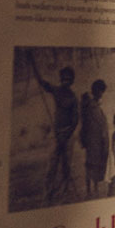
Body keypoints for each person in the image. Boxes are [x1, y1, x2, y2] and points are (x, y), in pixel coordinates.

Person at [33, 58, 79, 203]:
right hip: (56, 134)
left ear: (71, 81)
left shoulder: (73, 98)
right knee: (51, 166)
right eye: (63, 79)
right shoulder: (57, 91)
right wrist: (34, 66)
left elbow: (75, 120)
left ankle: (64, 192)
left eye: (68, 79)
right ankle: (48, 194)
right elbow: (44, 84)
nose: (65, 81)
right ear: (61, 79)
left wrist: (66, 135)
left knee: (66, 166)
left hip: (67, 136)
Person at [80, 78, 109, 200]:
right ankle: (88, 189)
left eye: (102, 91)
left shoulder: (96, 105)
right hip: (92, 139)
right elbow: (85, 123)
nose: (101, 94)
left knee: (95, 164)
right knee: (90, 164)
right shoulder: (90, 106)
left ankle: (95, 188)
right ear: (95, 91)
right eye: (99, 91)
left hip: (98, 140)